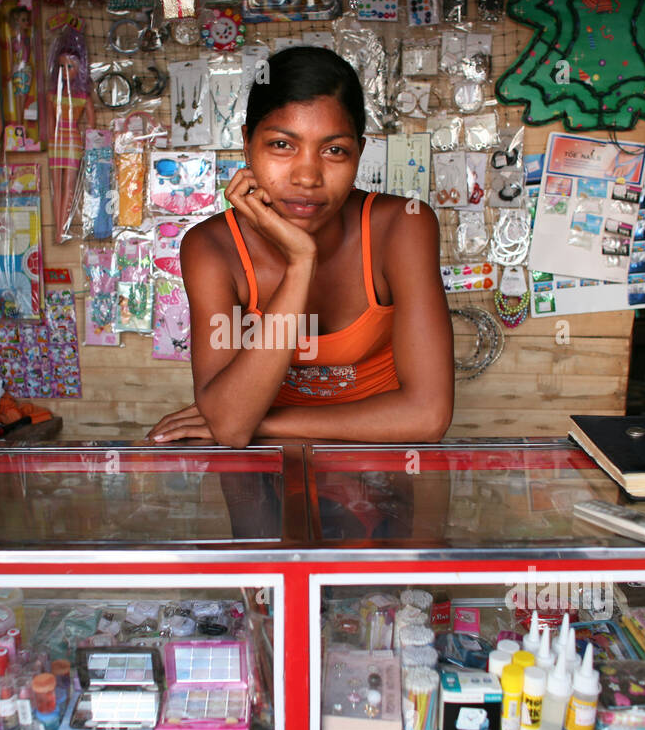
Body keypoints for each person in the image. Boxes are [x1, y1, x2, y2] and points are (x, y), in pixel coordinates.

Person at [147, 46, 454, 447]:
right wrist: (300, 263)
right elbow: (230, 428)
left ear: (359, 153)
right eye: (281, 145)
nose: (307, 176)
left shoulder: (403, 226)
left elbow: (428, 417)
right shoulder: (212, 247)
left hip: (382, 465)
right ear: (247, 143)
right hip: (267, 474)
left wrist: (259, 422)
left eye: (334, 150)